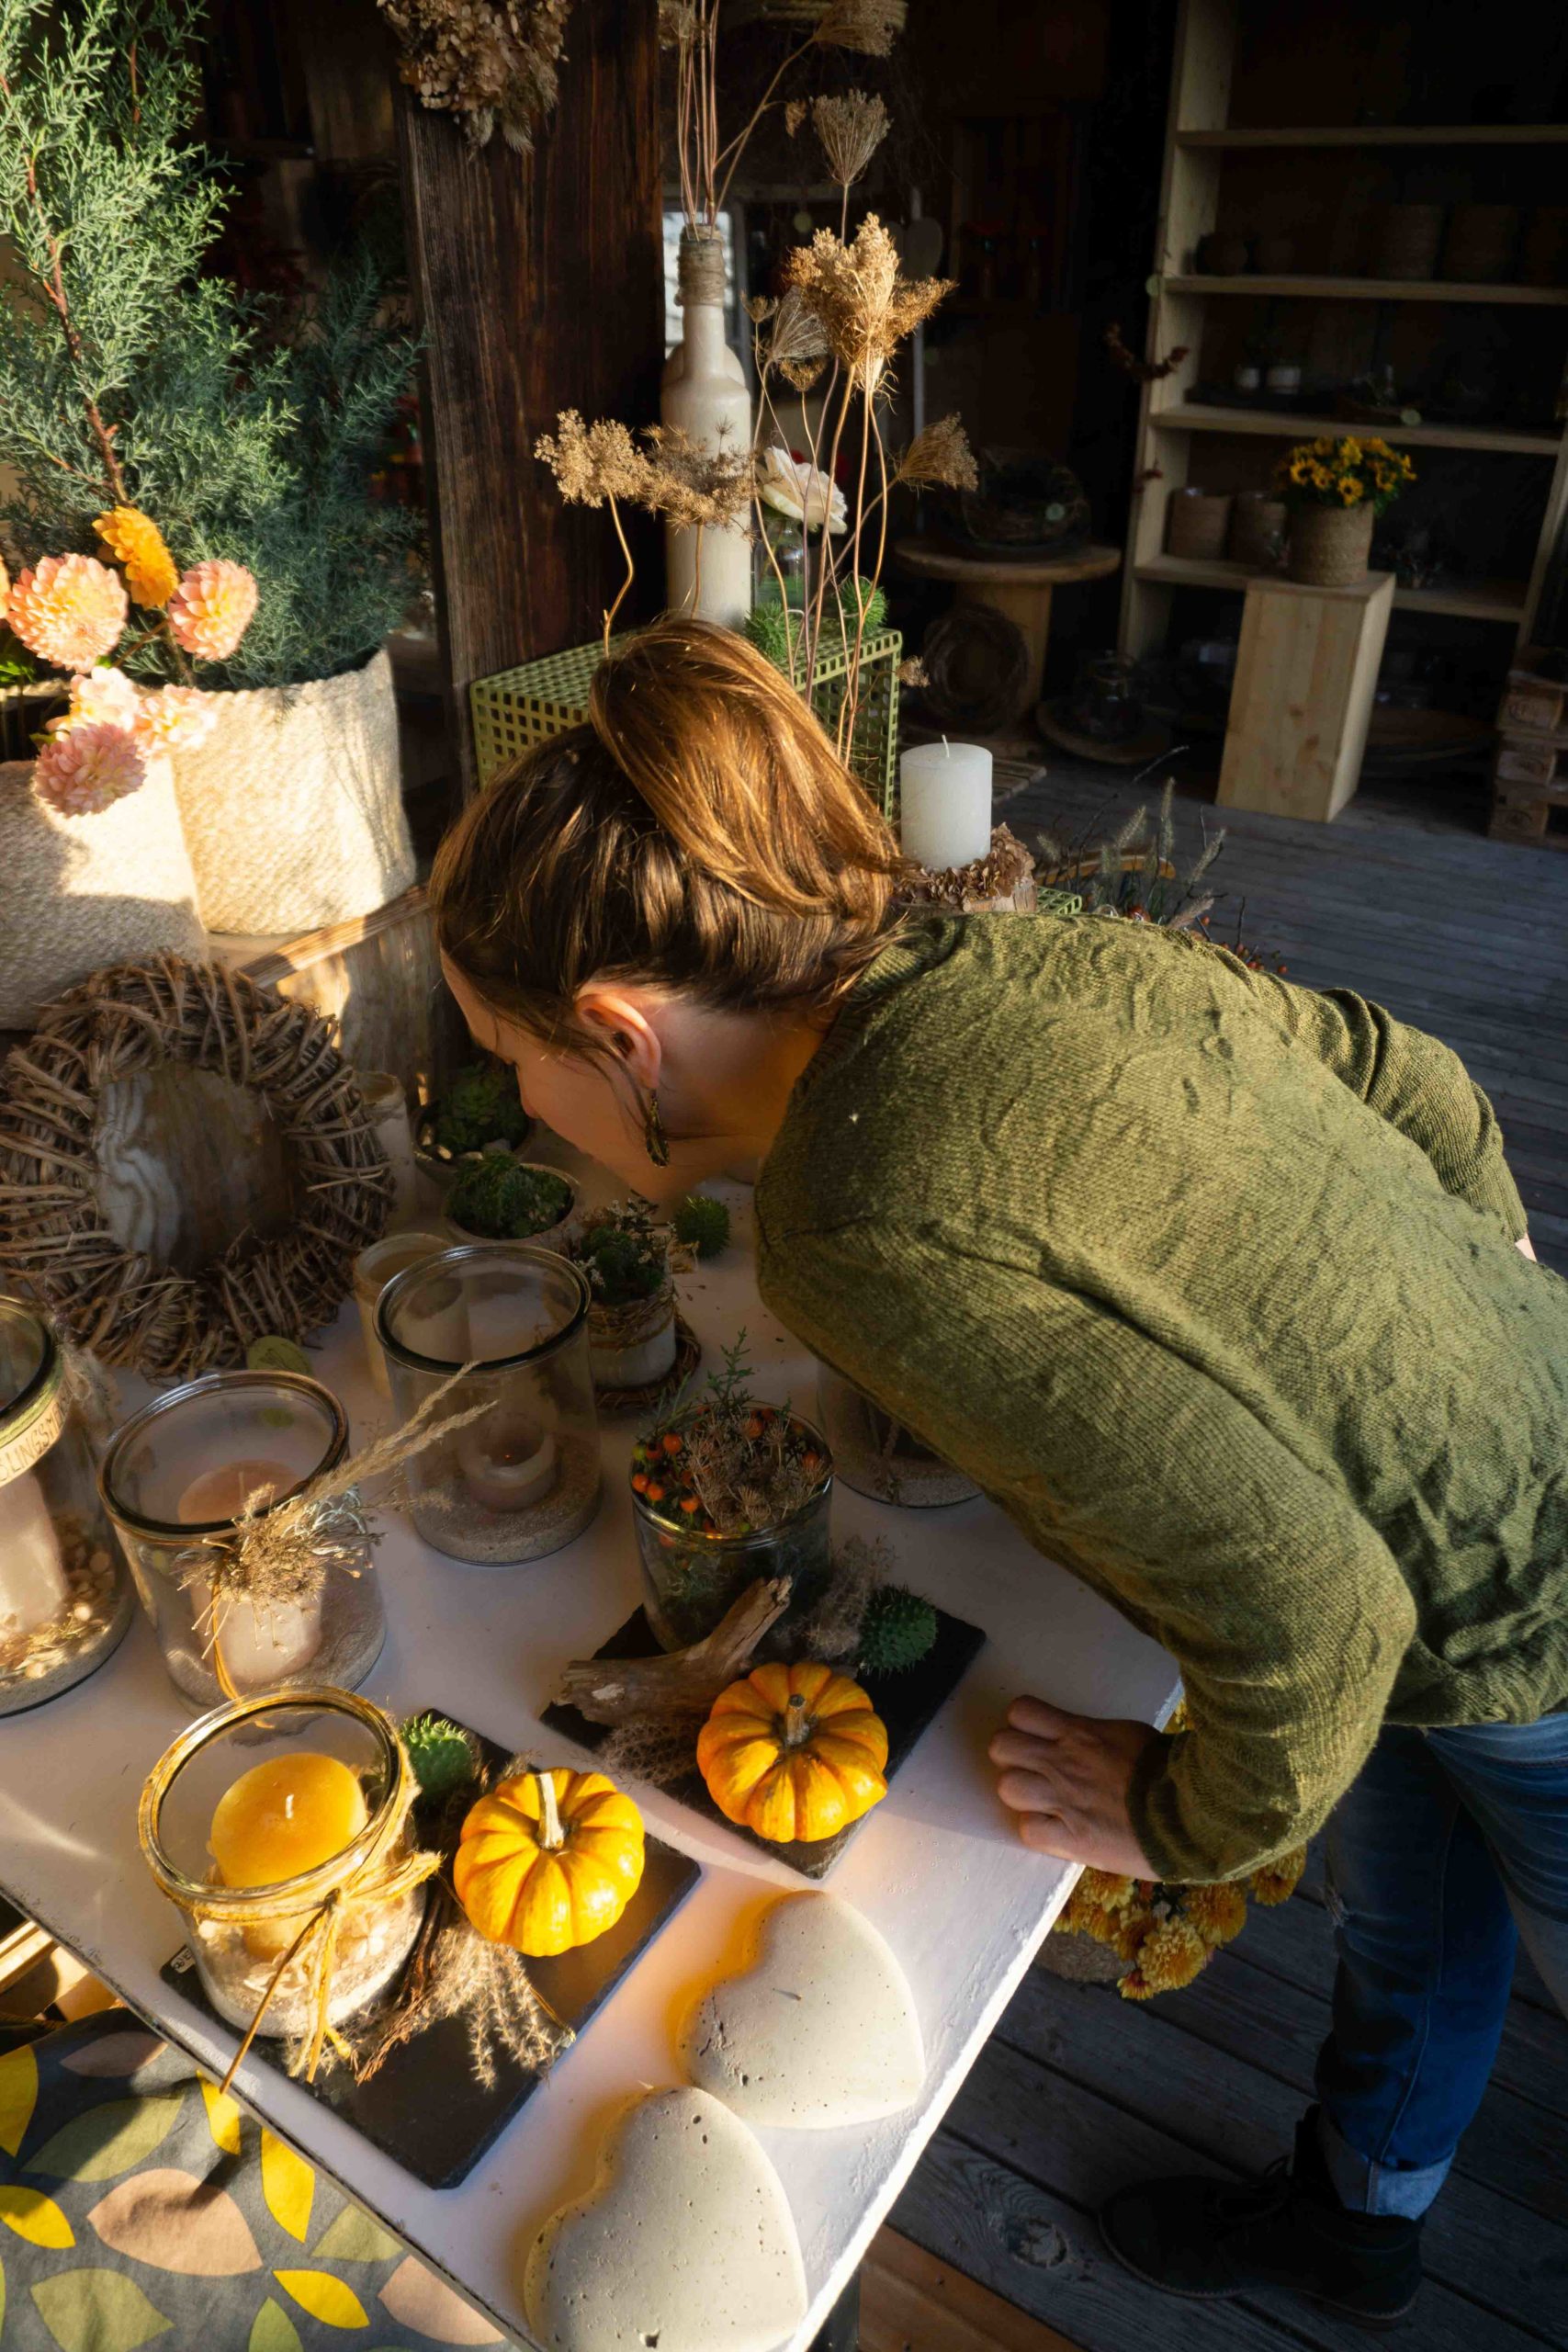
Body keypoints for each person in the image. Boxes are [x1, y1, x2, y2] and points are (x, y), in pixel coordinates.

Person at [430, 618, 1568, 2331]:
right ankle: (1364, 2214)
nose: (515, 1103)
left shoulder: (846, 1221)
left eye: (510, 1064)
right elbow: (1422, 1083)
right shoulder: (1016, 950)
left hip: (1517, 1607)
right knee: (1416, 1921)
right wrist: (1441, 1331)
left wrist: (1179, 1818)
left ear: (617, 1031)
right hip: (1515, 1429)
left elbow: (1320, 1609)